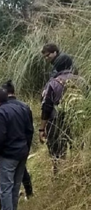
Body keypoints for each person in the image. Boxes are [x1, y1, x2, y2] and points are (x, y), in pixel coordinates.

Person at [0, 88, 33, 210]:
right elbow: (29, 130)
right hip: (22, 152)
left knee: (5, 187)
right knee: (15, 185)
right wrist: (26, 149)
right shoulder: (22, 108)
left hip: (7, 155)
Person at [40, 44, 81, 174]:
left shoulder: (54, 83)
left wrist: (42, 128)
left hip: (56, 120)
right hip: (77, 119)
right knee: (76, 146)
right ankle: (78, 170)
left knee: (57, 149)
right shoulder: (81, 81)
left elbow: (47, 106)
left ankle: (59, 174)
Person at [1, 80, 34, 199]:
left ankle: (10, 202)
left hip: (8, 149)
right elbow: (30, 129)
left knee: (7, 176)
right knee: (22, 168)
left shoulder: (2, 108)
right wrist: (27, 146)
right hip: (23, 145)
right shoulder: (25, 107)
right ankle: (29, 191)